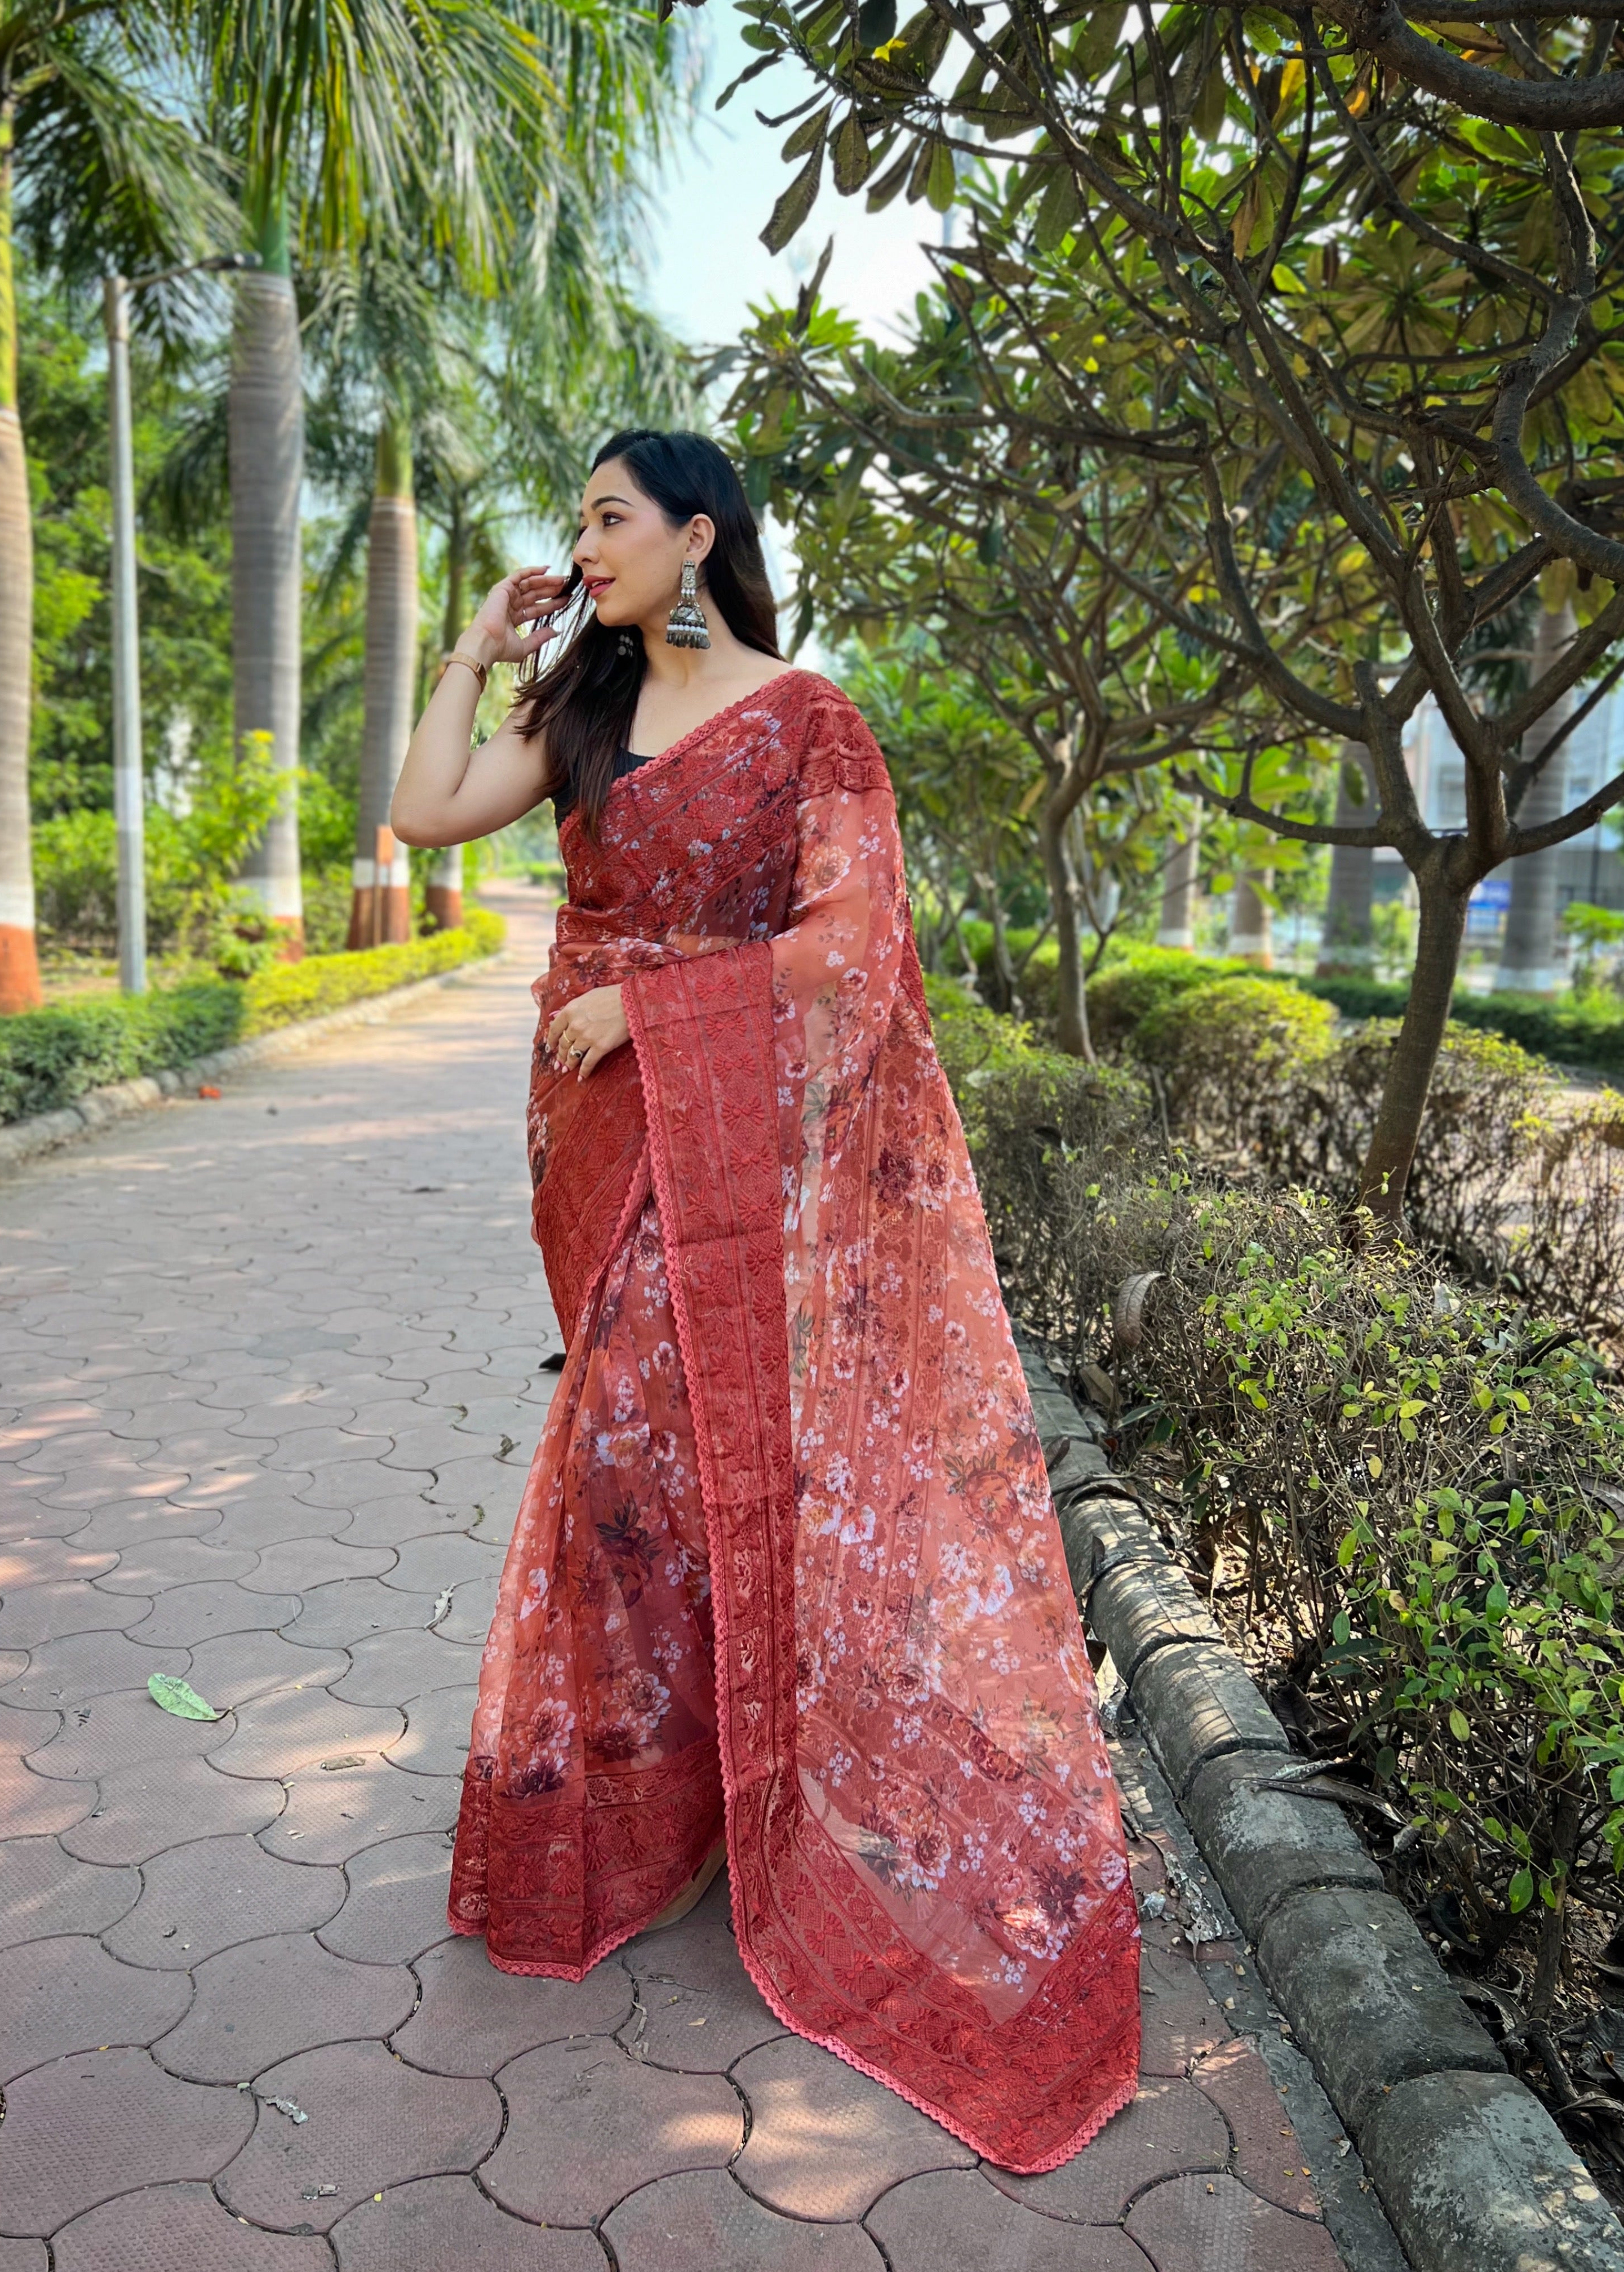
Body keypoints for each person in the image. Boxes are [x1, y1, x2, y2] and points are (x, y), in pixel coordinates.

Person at [389, 429, 1139, 2173]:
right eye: (576, 519)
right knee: (630, 1462)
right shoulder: (576, 707)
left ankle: (744, 1799)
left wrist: (655, 1015)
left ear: (695, 535)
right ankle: (656, 1807)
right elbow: (426, 813)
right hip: (591, 1129)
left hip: (718, 1141)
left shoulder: (807, 720)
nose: (582, 546)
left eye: (609, 518)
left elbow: (850, 948)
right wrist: (469, 657)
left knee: (641, 1459)